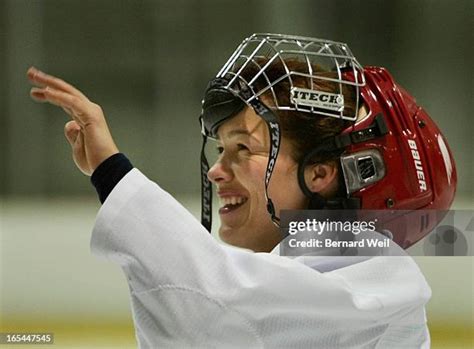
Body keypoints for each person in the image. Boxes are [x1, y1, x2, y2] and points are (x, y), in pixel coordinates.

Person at [27, 33, 456, 348]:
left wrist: (111, 171)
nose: (216, 171)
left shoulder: (377, 280)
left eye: (242, 149)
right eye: (220, 149)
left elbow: (211, 312)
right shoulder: (322, 273)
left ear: (321, 174)